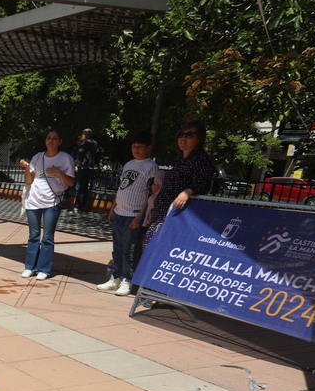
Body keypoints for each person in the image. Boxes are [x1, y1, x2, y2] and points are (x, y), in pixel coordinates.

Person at [98, 131, 161, 297]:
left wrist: (140, 217)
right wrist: (113, 208)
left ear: (148, 148)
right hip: (120, 212)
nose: (136, 149)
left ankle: (128, 279)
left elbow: (149, 194)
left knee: (129, 250)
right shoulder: (128, 164)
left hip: (133, 215)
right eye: (134, 146)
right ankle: (116, 277)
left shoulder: (151, 167)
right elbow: (122, 187)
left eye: (140, 147)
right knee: (117, 248)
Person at [140, 120, 214, 249]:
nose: (183, 138)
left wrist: (188, 191)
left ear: (199, 139)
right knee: (149, 250)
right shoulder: (182, 161)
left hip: (177, 219)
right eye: (181, 134)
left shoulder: (201, 159)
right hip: (163, 215)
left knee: (155, 252)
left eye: (189, 135)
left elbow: (203, 184)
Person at [21, 129, 75, 281]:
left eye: (54, 138)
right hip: (34, 200)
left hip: (52, 201)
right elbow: (29, 180)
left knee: (48, 236)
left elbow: (70, 182)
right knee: (33, 235)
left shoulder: (65, 159)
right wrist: (26, 168)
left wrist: (58, 172)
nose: (51, 141)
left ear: (60, 141)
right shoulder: (38, 157)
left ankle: (44, 268)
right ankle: (29, 267)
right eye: (48, 138)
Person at [73, 128, 103, 211]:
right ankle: (82, 204)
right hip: (91, 167)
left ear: (85, 134)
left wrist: (79, 163)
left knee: (80, 186)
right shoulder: (95, 143)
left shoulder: (85, 142)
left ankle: (78, 205)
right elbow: (100, 152)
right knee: (85, 186)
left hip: (83, 166)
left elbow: (81, 152)